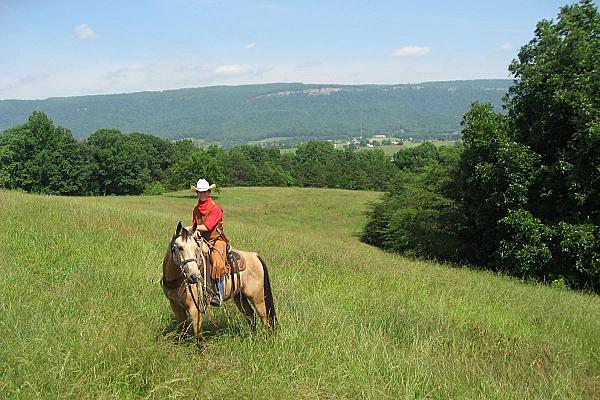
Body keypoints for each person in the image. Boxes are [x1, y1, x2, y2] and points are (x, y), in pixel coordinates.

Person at [190, 178, 228, 307]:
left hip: (216, 240)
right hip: (202, 239)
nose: (202, 194)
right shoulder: (196, 209)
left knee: (216, 261)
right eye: (199, 192)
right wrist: (194, 232)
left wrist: (192, 229)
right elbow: (195, 225)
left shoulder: (216, 208)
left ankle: (218, 294)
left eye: (204, 192)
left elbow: (207, 226)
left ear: (208, 192)